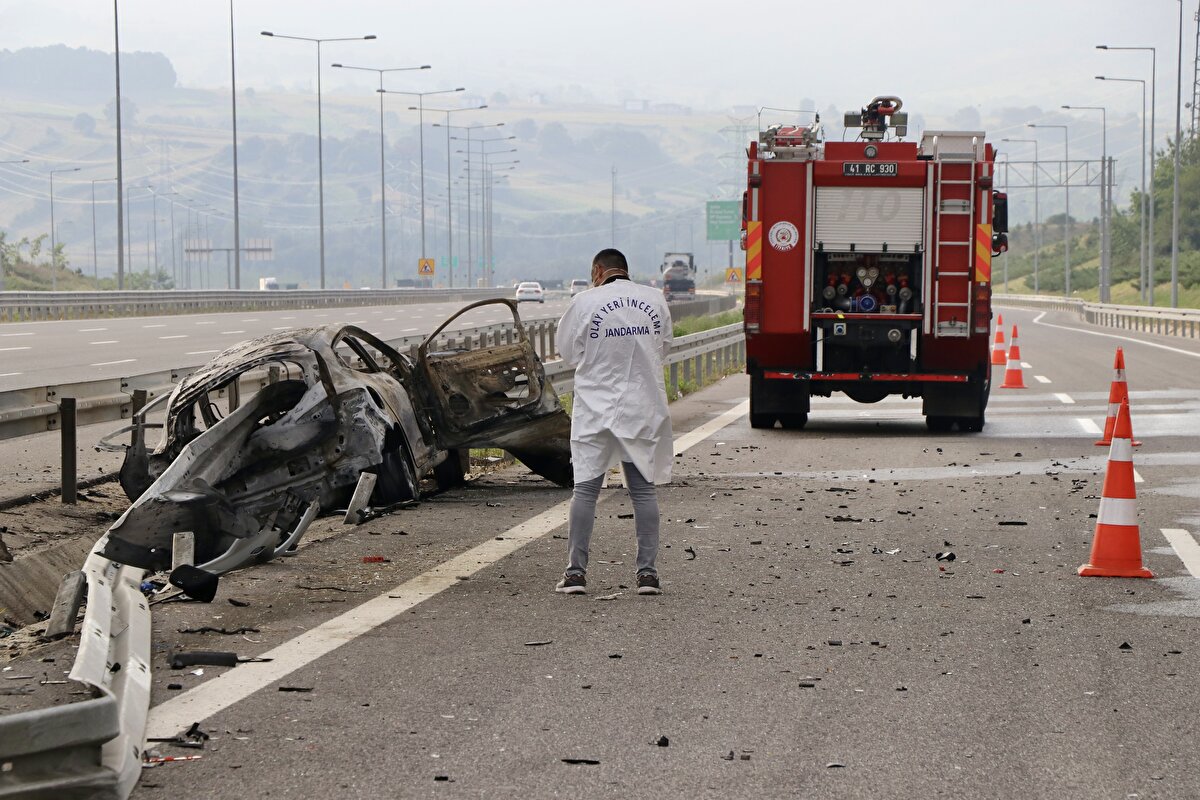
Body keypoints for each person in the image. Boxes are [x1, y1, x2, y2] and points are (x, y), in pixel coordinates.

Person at [554, 248, 673, 596]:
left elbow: (567, 352)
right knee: (643, 490)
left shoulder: (585, 302)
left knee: (586, 491)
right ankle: (647, 575)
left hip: (595, 408)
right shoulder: (654, 299)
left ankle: (575, 574)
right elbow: (662, 347)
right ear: (625, 269)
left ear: (598, 270)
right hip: (641, 407)